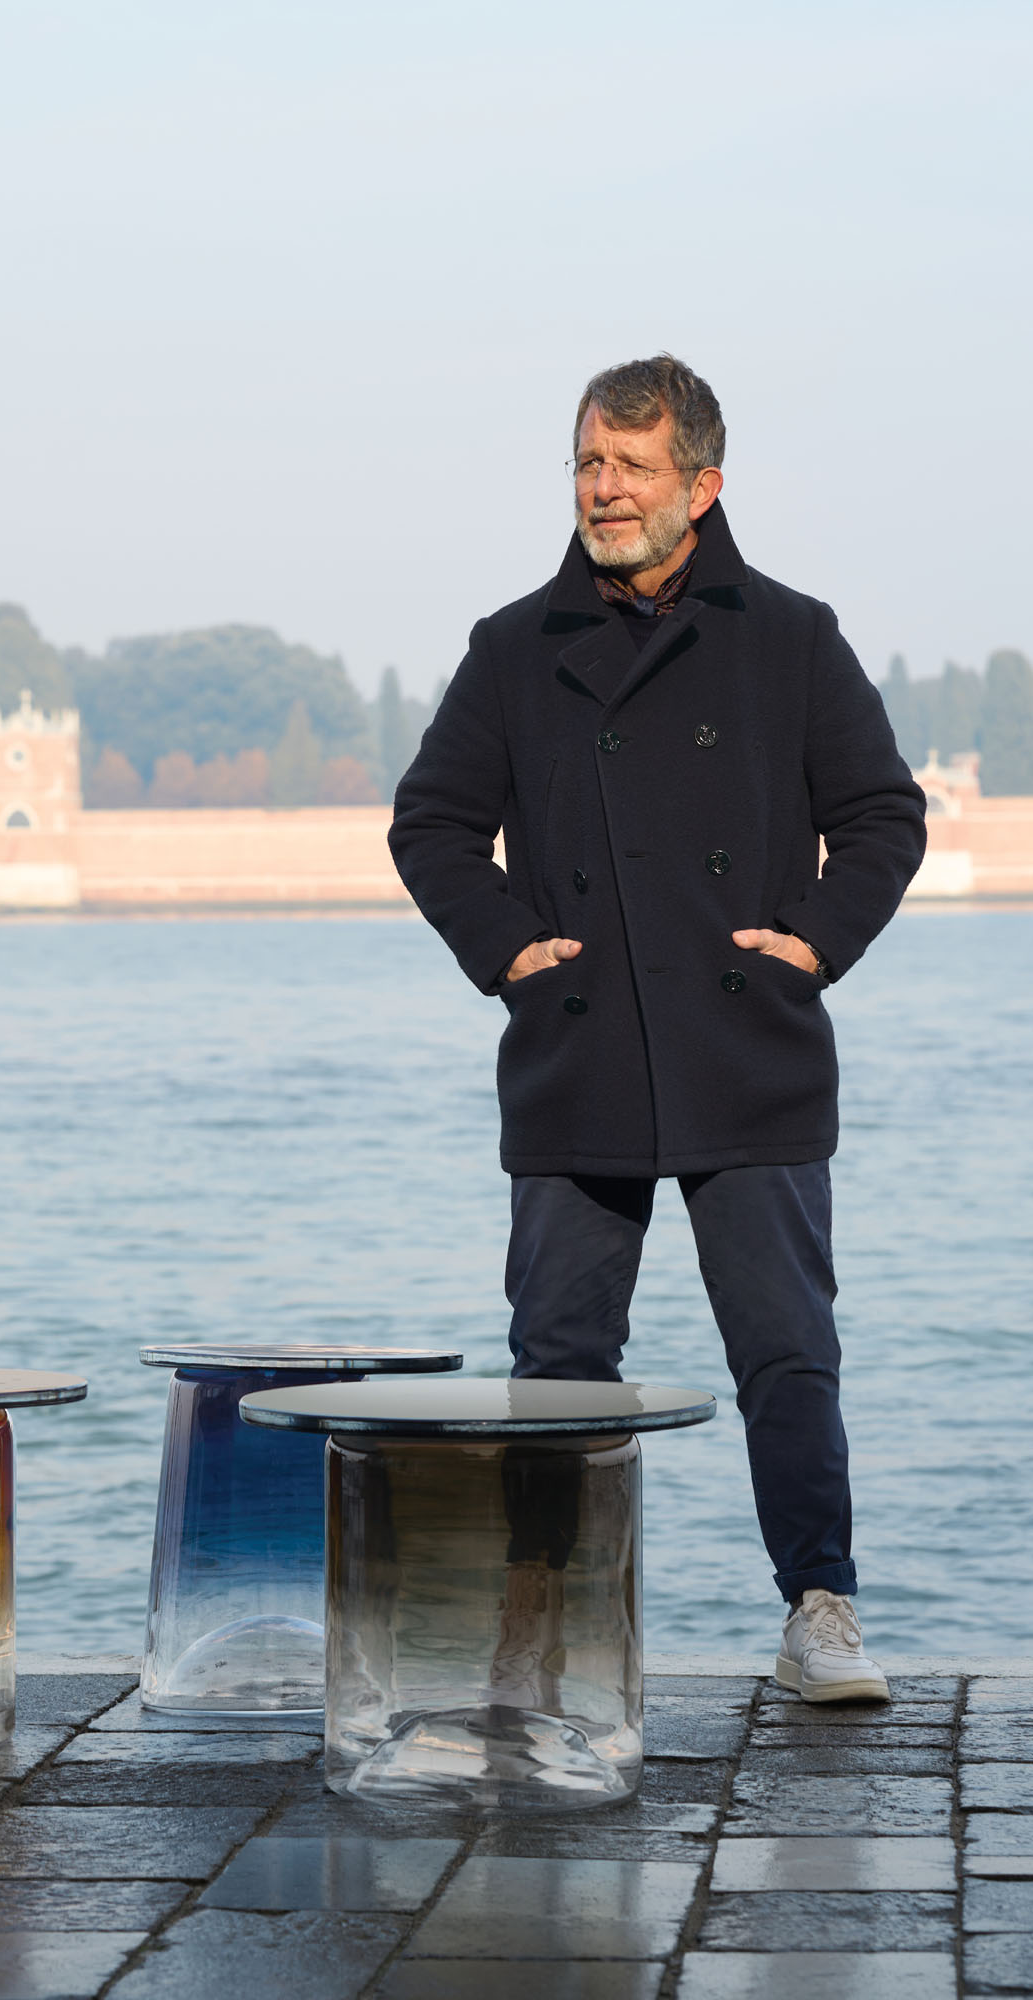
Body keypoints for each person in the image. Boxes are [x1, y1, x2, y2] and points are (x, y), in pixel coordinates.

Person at [389, 354, 926, 1703]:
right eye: (588, 462)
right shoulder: (515, 647)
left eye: (632, 465)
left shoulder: (791, 636)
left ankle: (820, 1609)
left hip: (749, 1046)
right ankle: (541, 1630)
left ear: (704, 483)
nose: (604, 488)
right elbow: (432, 824)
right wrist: (511, 950)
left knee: (787, 1354)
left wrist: (811, 944)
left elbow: (882, 815)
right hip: (576, 1048)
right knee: (559, 1366)